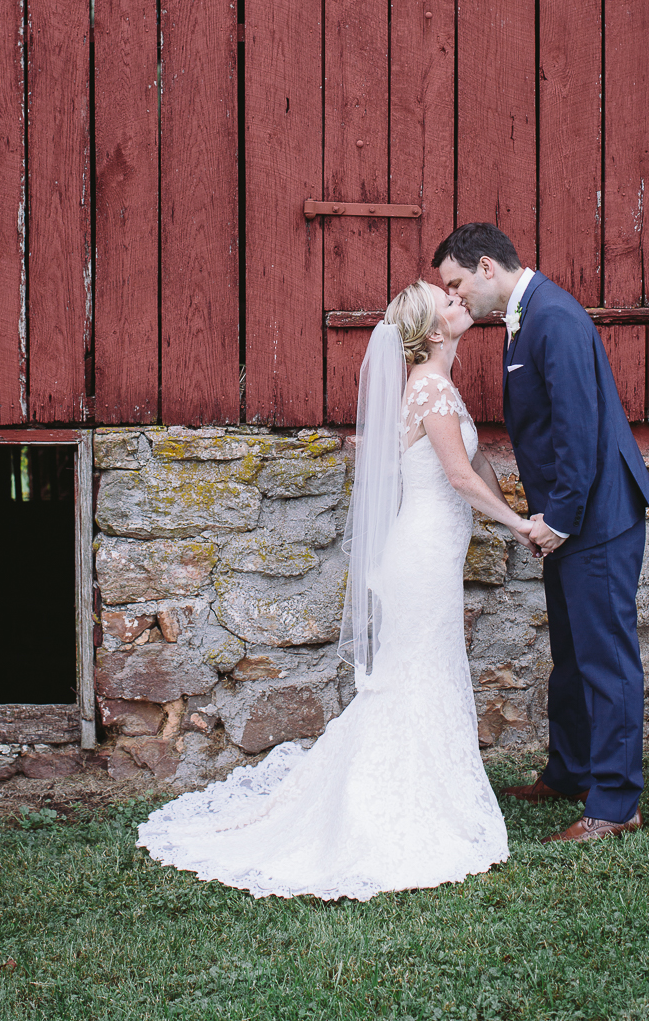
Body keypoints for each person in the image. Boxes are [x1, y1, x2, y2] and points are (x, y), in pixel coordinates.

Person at [138, 280, 533, 900]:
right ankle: (387, 805)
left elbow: (477, 464)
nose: (460, 300)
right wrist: (518, 525)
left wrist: (516, 513)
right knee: (417, 672)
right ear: (433, 332)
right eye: (448, 302)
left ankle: (420, 788)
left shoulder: (441, 386)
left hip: (433, 552)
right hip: (421, 557)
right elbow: (457, 476)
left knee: (427, 669)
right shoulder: (429, 387)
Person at [434, 223, 649, 844]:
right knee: (571, 654)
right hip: (570, 517)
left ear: (486, 267)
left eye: (456, 284)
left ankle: (615, 804)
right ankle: (571, 771)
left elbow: (578, 430)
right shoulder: (528, 315)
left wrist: (557, 520)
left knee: (605, 659)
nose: (456, 299)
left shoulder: (554, 319)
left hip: (597, 519)